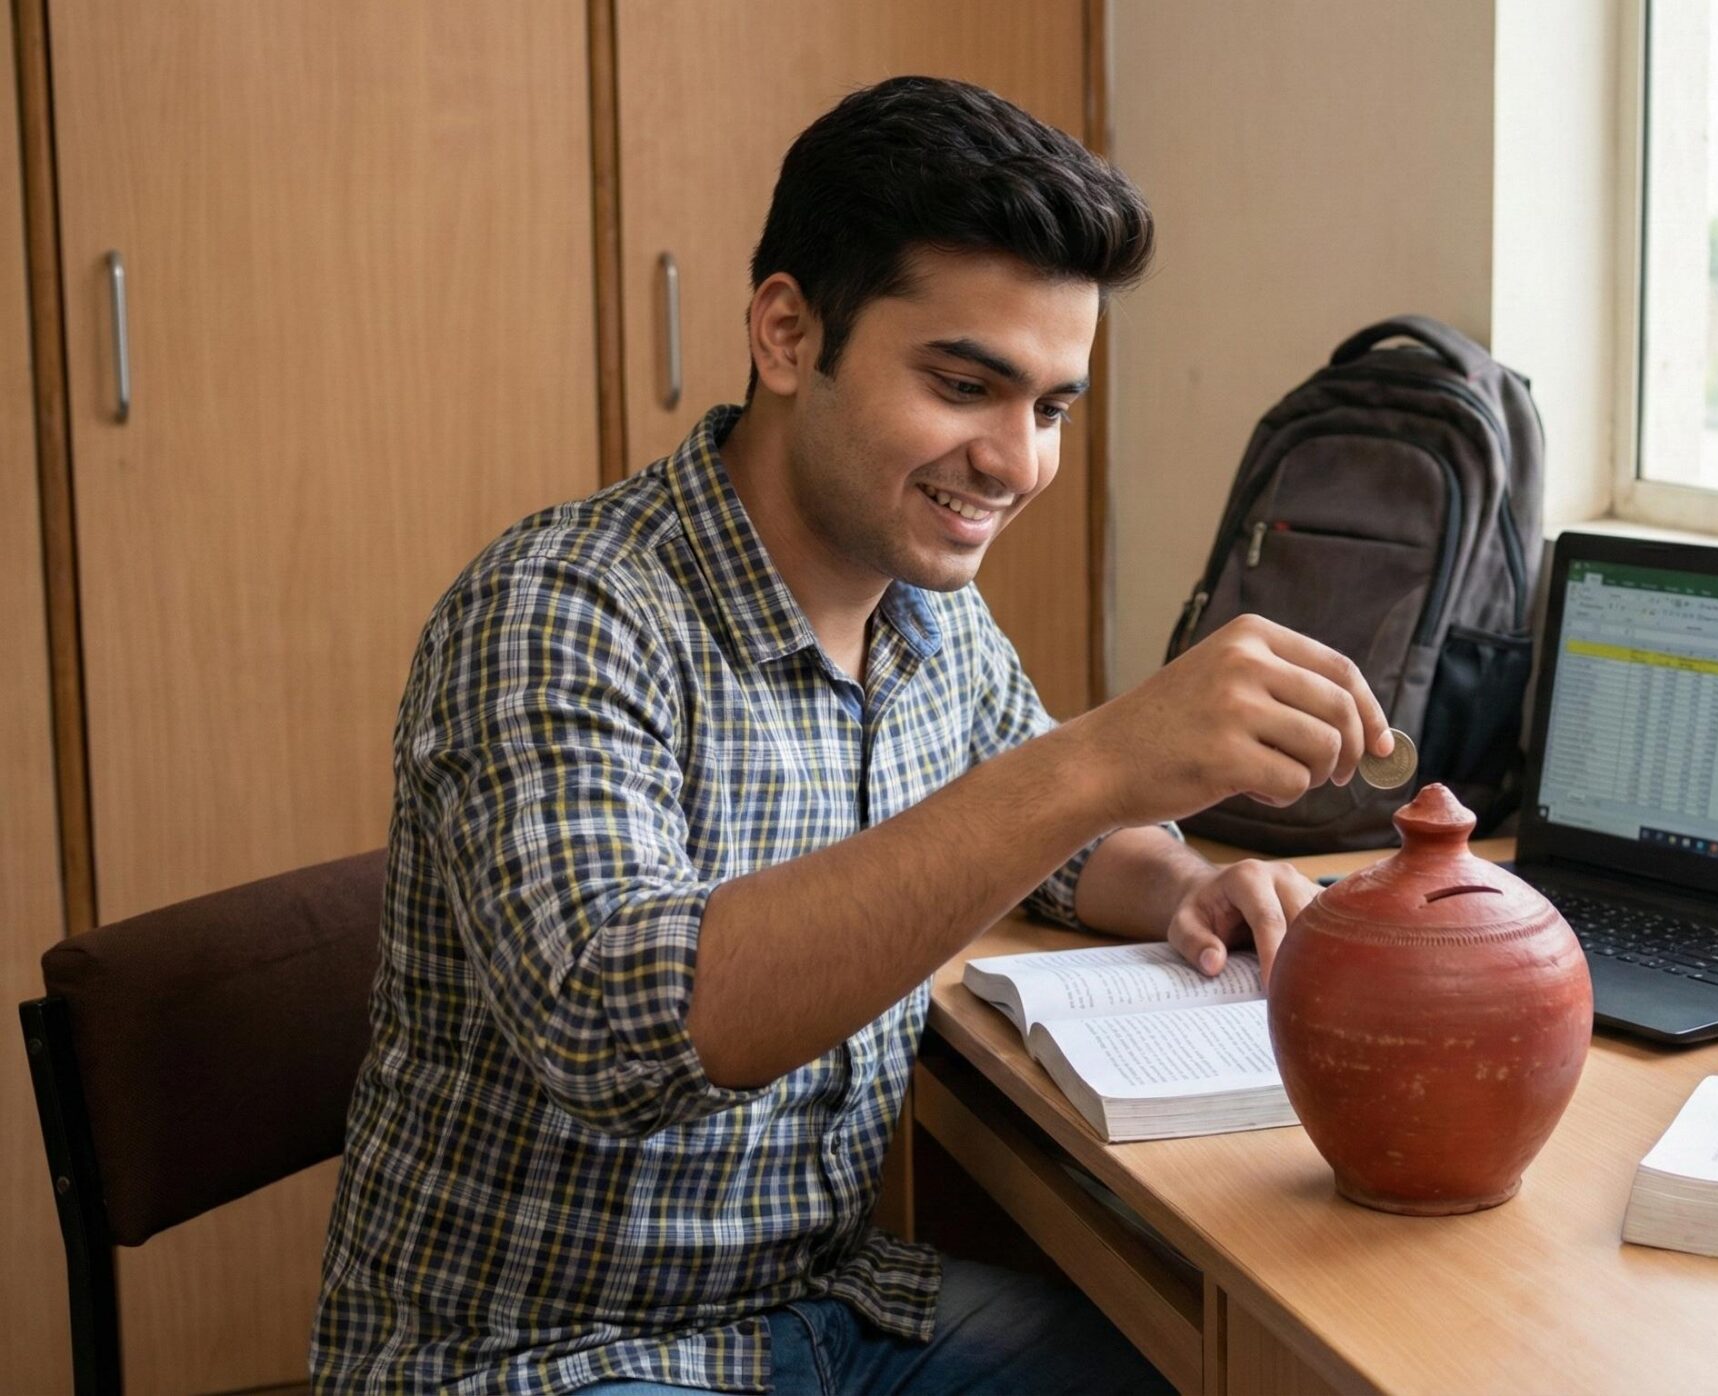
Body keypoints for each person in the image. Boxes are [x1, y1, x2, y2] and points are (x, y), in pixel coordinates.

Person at [312, 78, 1394, 1395]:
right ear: (785, 333)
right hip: (537, 1358)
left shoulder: (931, 617)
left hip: (827, 1312)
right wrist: (1102, 756)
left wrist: (1189, 884)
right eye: (964, 385)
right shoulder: (558, 611)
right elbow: (621, 1035)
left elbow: (1052, 845)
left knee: (1222, 1373)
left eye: (1051, 407)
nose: (1014, 462)